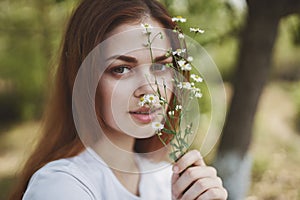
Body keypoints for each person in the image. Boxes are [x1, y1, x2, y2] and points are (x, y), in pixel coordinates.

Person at [10, 0, 227, 199]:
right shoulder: (60, 185)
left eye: (160, 66)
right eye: (121, 69)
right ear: (84, 78)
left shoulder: (166, 179)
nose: (149, 90)